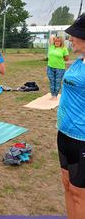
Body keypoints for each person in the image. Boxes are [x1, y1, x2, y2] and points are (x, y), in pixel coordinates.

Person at [57, 13, 85, 219]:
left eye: (75, 35)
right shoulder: (79, 62)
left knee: (79, 194)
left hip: (82, 140)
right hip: (64, 135)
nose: (71, 39)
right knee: (67, 186)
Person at [47, 34, 69, 100]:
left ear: (61, 42)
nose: (56, 42)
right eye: (55, 41)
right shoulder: (51, 46)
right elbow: (51, 37)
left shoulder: (64, 49)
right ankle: (52, 94)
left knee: (57, 81)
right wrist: (54, 37)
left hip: (60, 68)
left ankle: (55, 95)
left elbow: (66, 59)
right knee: (52, 81)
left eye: (58, 41)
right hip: (50, 67)